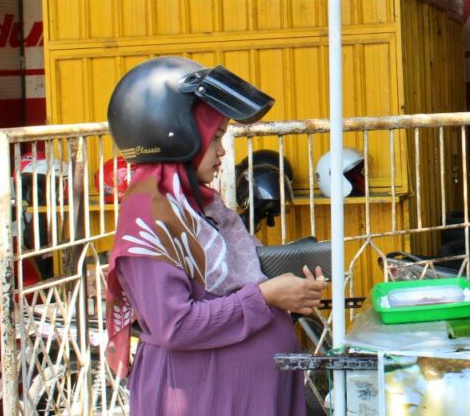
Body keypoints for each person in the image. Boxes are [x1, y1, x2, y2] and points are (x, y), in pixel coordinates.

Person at [104, 56, 328, 415]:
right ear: (178, 133)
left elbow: (230, 285)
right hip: (200, 397)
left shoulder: (199, 207)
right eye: (216, 137)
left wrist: (290, 288)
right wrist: (267, 296)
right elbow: (173, 326)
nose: (222, 151)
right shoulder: (149, 216)